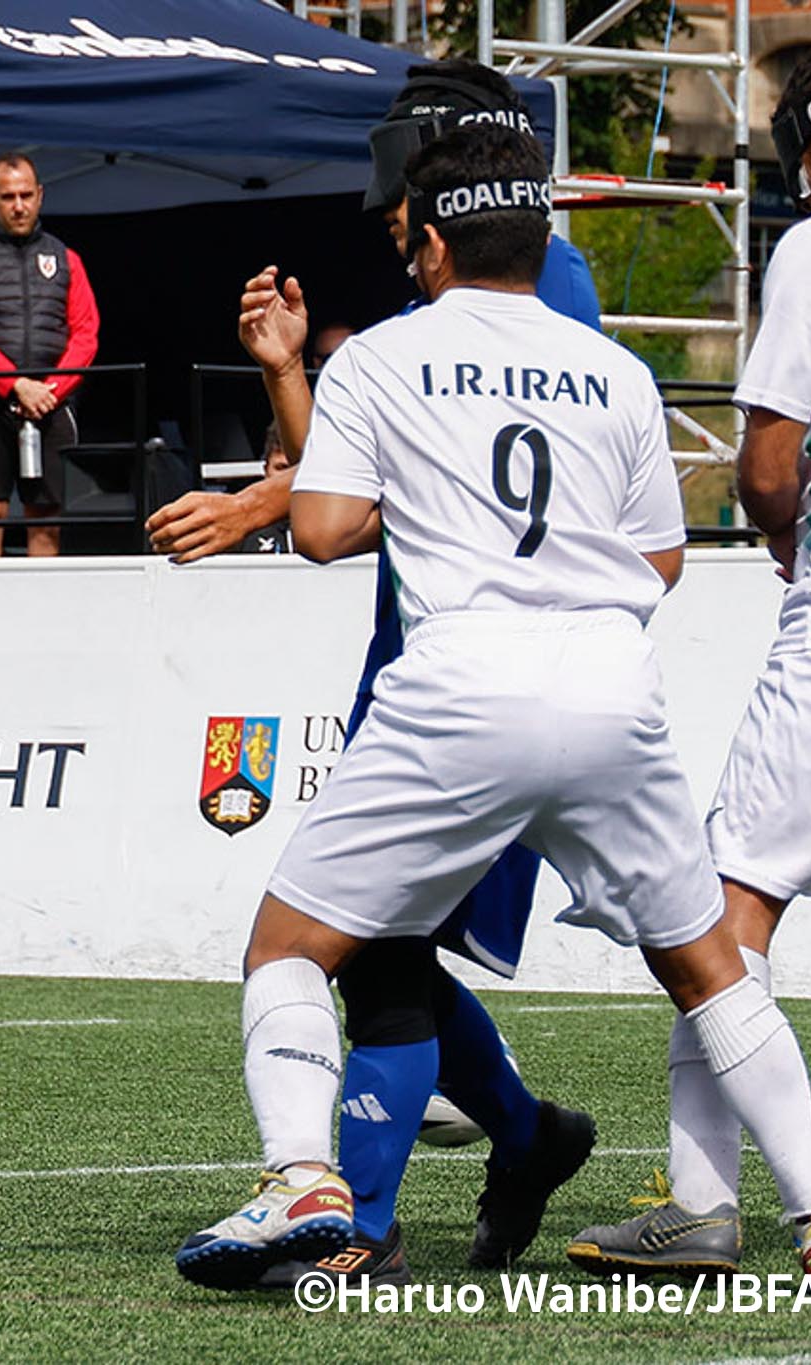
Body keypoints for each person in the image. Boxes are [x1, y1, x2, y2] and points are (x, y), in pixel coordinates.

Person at [171, 124, 811, 1295]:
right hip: (607, 683)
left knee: (289, 947)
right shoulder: (615, 370)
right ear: (538, 240)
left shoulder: (385, 356)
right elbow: (659, 563)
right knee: (709, 971)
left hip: (459, 681)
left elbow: (325, 533)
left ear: (428, 243)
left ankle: (303, 1175)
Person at [153, 60, 601, 1284]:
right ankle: (519, 1138)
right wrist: (289, 377)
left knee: (372, 946)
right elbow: (362, 478)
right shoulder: (496, 282)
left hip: (485, 675)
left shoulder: (524, 283)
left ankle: (365, 1214)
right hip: (420, 661)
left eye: (400, 184)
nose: (390, 219)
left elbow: (393, 482)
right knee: (378, 946)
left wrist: (255, 499)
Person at [568, 34, 811, 1288]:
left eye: (787, 164)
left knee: (720, 905)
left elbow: (762, 464)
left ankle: (703, 1203)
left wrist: (790, 550)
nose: (792, 189)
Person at [0, 151, 101, 558]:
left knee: (46, 520)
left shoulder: (67, 259)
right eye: (8, 196)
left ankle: (45, 617)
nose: (18, 205)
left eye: (26, 195)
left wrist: (48, 390)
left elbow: (86, 334)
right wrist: (15, 385)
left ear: (40, 195)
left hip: (50, 403)